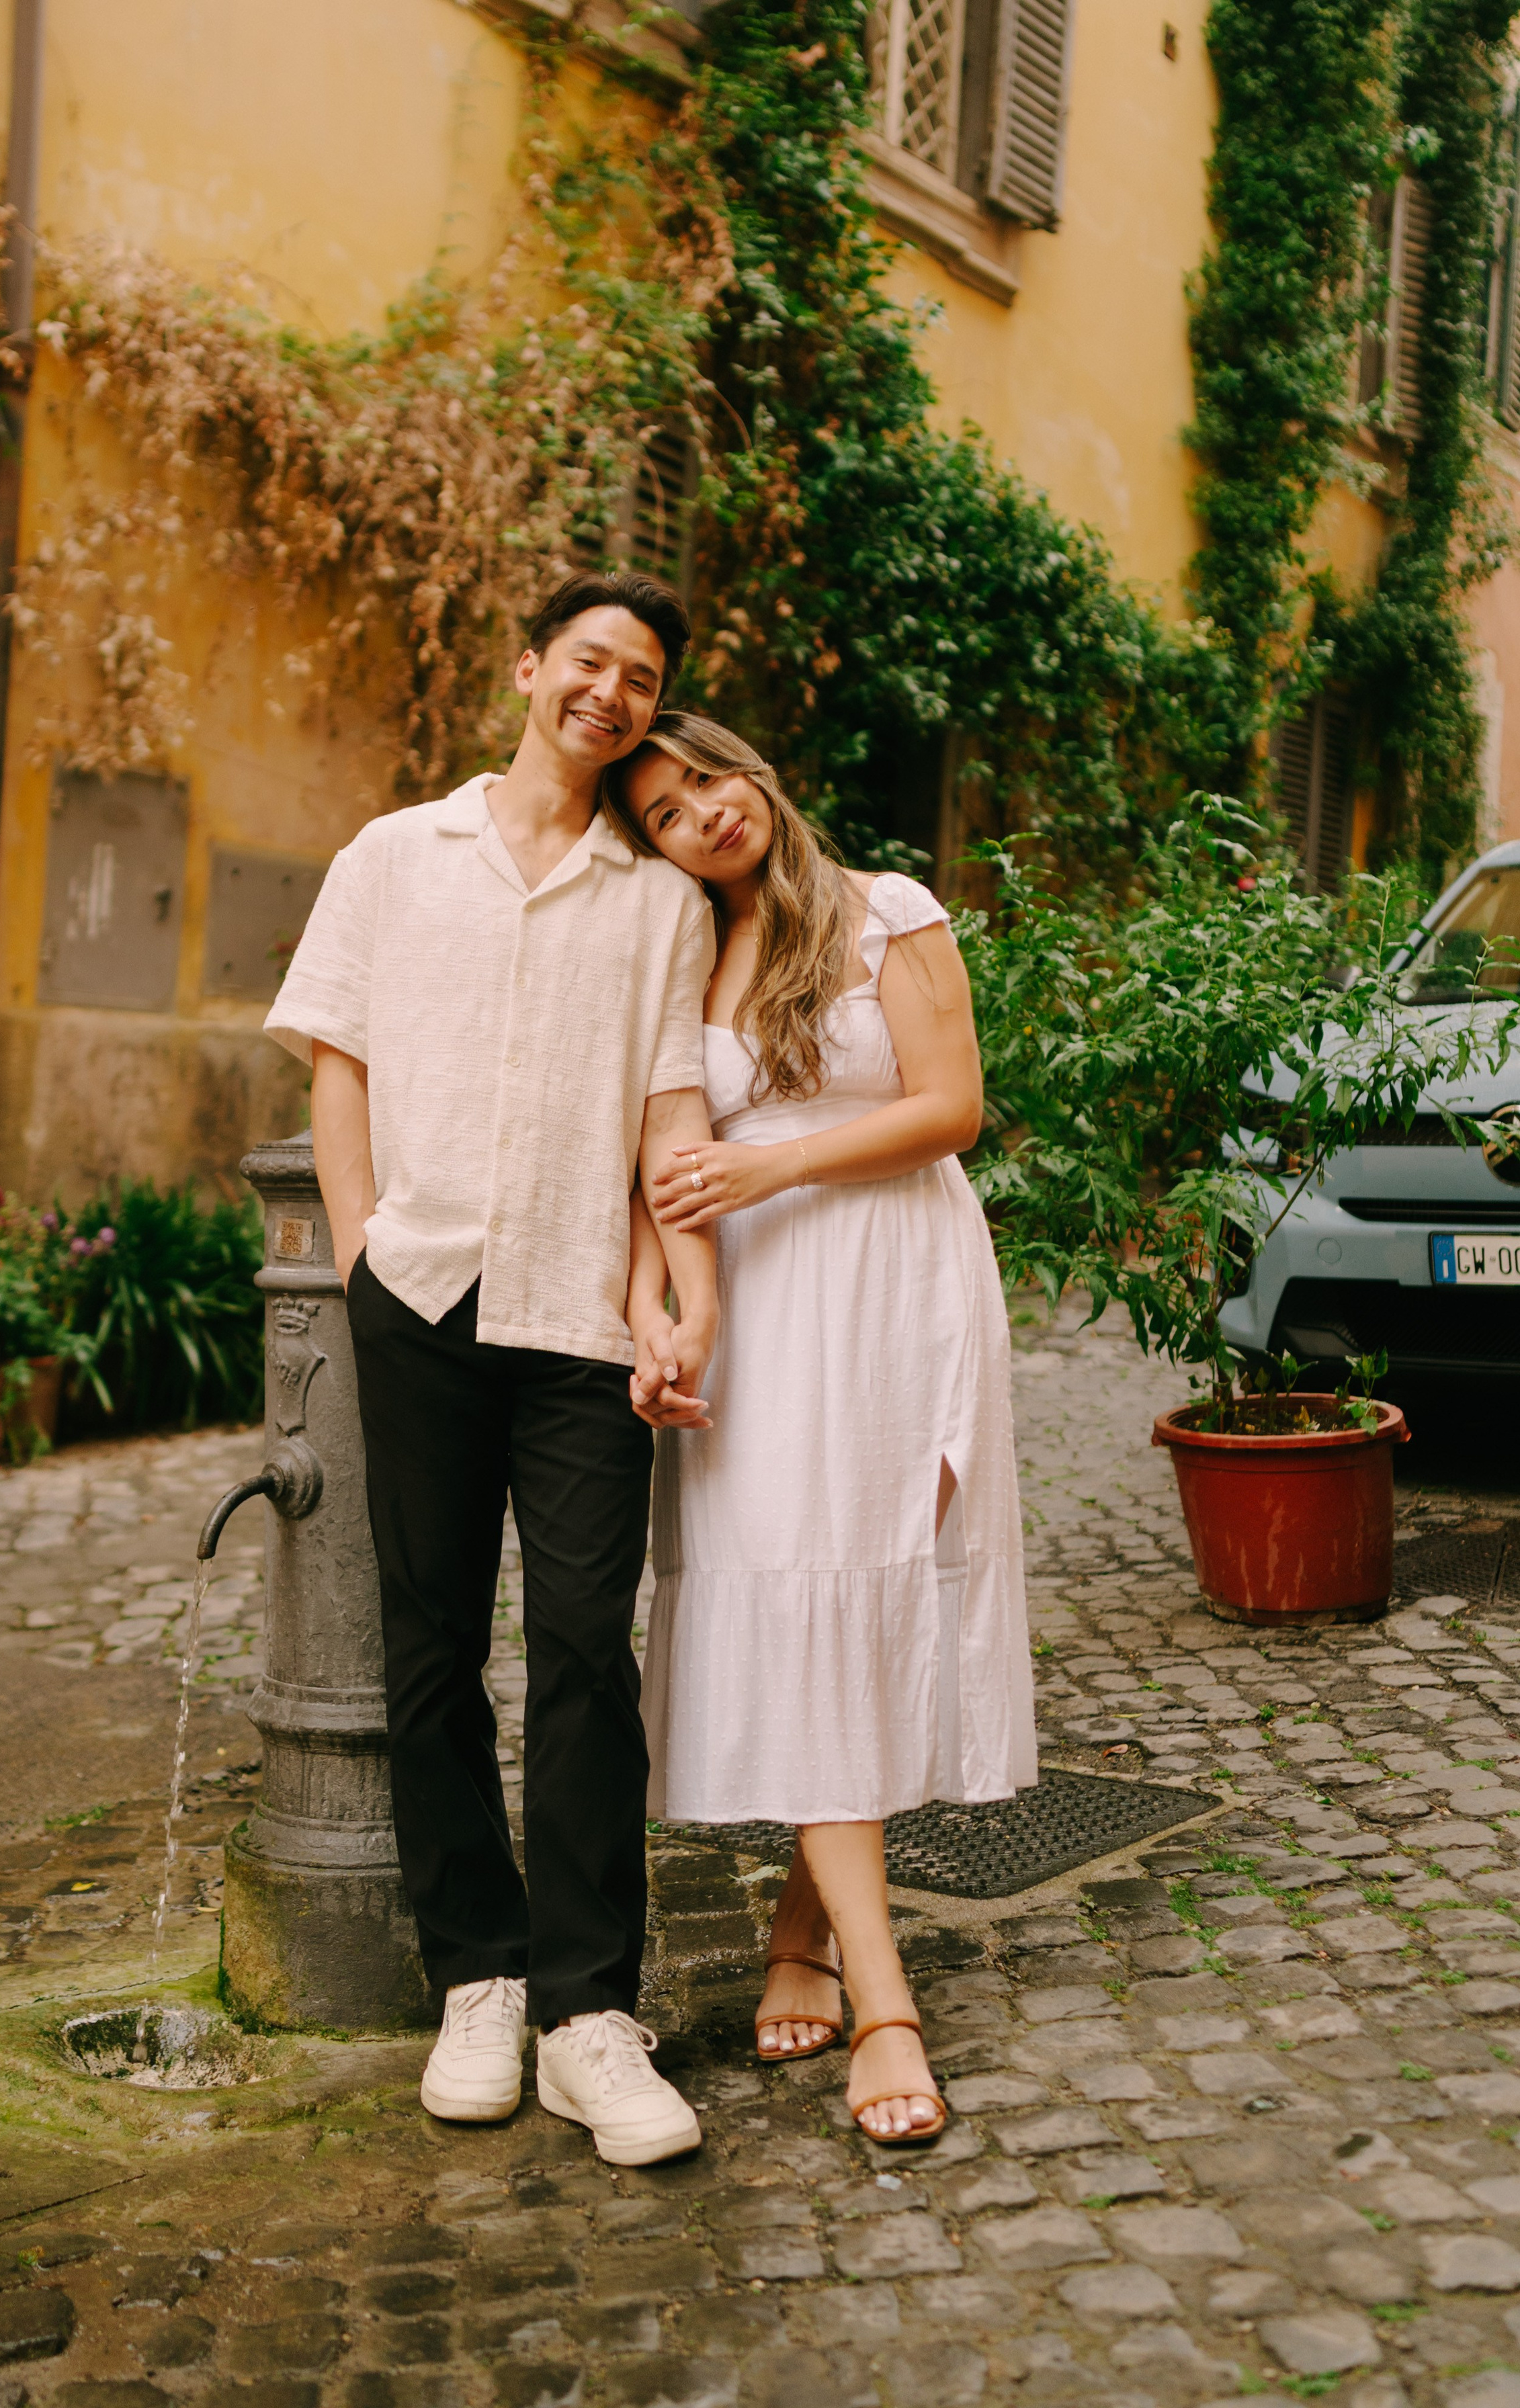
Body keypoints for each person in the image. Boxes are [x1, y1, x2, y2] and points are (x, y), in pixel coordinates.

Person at [265, 573, 720, 2168]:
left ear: (647, 713)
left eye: (641, 677)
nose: (610, 690)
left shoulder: (661, 900)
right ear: (530, 669)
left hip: (582, 1317)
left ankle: (592, 2011)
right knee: (430, 1644)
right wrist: (360, 1249)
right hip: (423, 1295)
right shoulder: (395, 857)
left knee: (590, 1647)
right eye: (589, 659)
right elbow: (341, 1065)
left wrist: (679, 1299)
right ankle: (476, 1976)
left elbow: (673, 1118)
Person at [606, 712, 1038, 2146]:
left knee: (869, 1601)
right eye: (663, 814)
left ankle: (807, 1936)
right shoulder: (683, 957)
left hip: (899, 1288)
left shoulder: (885, 911)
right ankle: (884, 2000)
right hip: (765, 1318)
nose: (699, 818)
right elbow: (658, 1170)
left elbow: (951, 1108)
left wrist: (771, 1162)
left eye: (706, 782)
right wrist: (661, 1311)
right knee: (802, 1610)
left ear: (755, 772)